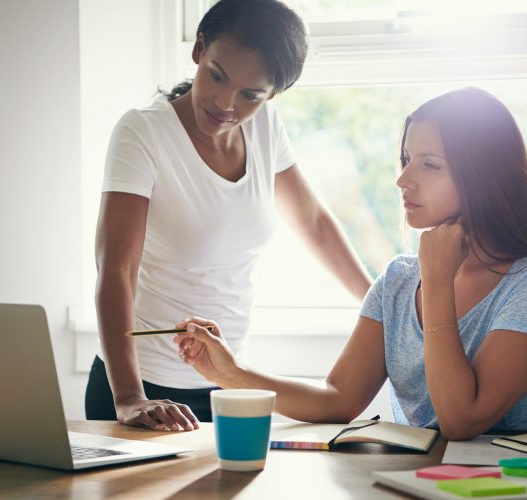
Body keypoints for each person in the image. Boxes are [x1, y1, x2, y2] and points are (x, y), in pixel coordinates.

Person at [173, 87, 527, 440]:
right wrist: (233, 373)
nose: (403, 179)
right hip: (425, 486)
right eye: (407, 159)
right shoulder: (398, 278)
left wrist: (438, 281)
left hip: (516, 493)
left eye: (429, 164)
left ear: (484, 177)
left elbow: (461, 420)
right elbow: (339, 398)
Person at [87, 0, 372, 432]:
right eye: (217, 76)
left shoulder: (265, 127)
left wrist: (378, 304)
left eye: (250, 95)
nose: (225, 103)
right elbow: (116, 269)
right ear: (199, 49)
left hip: (225, 386)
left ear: (271, 94)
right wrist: (128, 397)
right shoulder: (143, 132)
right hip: (144, 387)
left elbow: (312, 220)